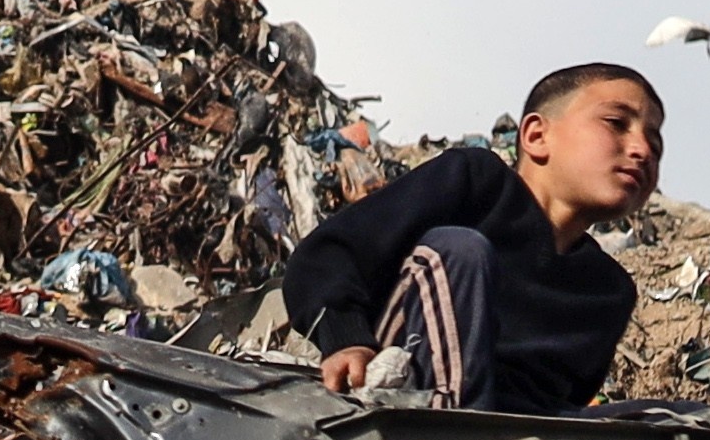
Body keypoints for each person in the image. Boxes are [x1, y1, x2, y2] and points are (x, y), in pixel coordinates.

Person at [279, 63, 661, 415]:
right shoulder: (477, 182)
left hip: (527, 430)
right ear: (536, 135)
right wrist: (346, 339)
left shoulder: (607, 292)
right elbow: (325, 256)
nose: (642, 150)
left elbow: (567, 400)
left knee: (686, 421)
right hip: (407, 397)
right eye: (616, 123)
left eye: (655, 145)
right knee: (459, 250)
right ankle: (461, 432)